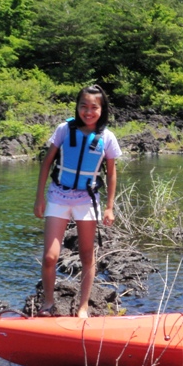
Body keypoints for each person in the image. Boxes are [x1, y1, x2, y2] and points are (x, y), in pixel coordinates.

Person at [33, 85, 122, 318]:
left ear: (102, 110)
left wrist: (110, 207)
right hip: (58, 195)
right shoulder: (64, 129)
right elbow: (46, 163)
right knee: (50, 256)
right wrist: (39, 197)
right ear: (77, 107)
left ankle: (83, 306)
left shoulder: (108, 137)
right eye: (84, 106)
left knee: (86, 255)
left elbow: (111, 173)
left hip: (87, 200)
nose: (88, 111)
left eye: (94, 107)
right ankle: (48, 302)